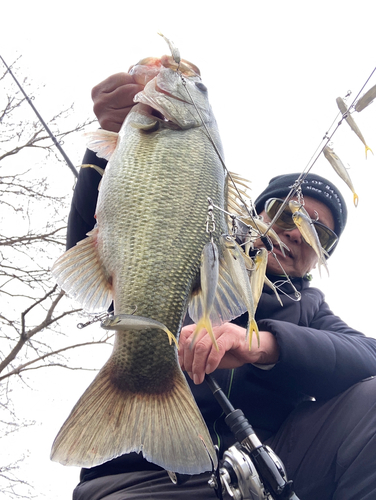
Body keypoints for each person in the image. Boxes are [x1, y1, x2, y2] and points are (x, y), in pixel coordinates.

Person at [68, 73, 376, 500]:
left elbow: (370, 356)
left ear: (322, 255)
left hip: (266, 475)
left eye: (315, 235)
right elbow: (114, 238)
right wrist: (110, 143)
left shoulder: (309, 309)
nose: (293, 233)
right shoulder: (195, 247)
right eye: (285, 215)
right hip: (140, 480)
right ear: (256, 216)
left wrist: (263, 344)